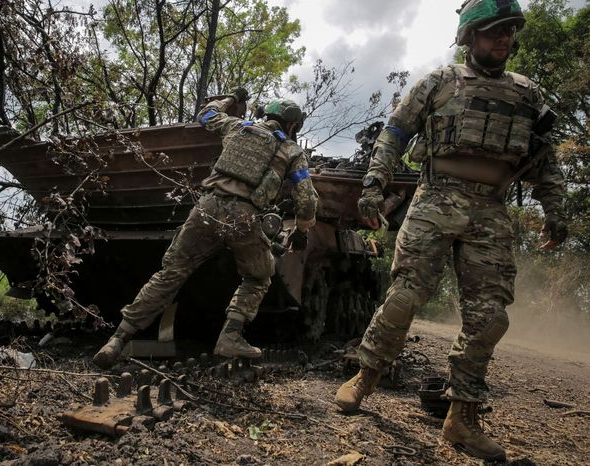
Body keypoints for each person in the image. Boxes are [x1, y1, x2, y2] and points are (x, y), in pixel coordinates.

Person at [334, 0, 567, 462]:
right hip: (436, 199)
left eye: (509, 31)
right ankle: (366, 377)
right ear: (469, 36)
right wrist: (373, 186)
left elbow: (546, 162)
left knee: (490, 317)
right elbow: (394, 134)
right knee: (404, 297)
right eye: (494, 30)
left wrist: (554, 210)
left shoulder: (529, 96)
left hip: (491, 212)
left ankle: (461, 418)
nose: (503, 39)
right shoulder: (437, 83)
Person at [93, 89, 318, 369]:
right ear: (292, 126)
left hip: (206, 208)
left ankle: (117, 339)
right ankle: (230, 335)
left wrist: (233, 99)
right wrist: (301, 230)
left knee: (170, 275)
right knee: (259, 276)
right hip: (244, 217)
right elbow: (306, 201)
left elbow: (206, 114)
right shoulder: (291, 151)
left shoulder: (237, 127)